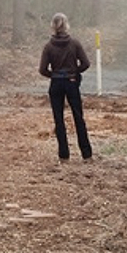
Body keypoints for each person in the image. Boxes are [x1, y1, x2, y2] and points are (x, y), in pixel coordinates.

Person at [38, 13, 93, 162]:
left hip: (56, 84)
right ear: (66, 25)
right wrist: (74, 73)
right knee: (78, 118)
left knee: (59, 119)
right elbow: (86, 63)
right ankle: (86, 154)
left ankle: (64, 156)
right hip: (71, 82)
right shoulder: (74, 43)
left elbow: (42, 70)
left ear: (52, 26)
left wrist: (55, 75)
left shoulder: (48, 46)